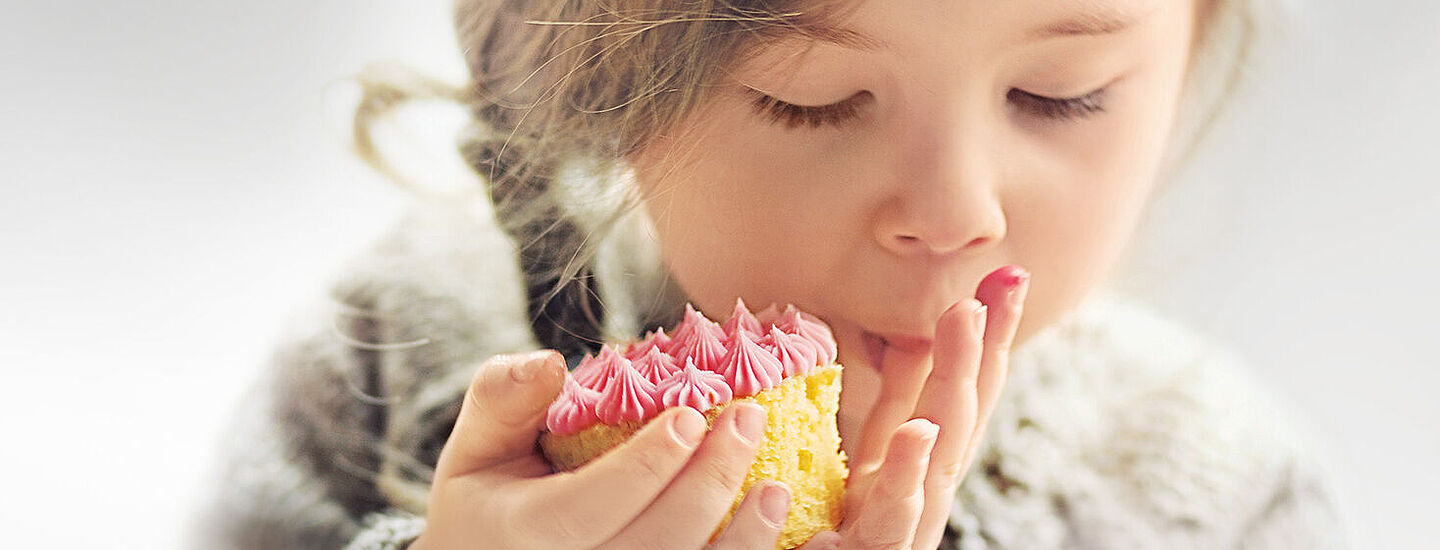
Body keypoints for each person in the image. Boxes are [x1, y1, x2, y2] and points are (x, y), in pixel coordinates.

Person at [191, 1, 1350, 548]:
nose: (955, 215)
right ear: (593, 85)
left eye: (1061, 93)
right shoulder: (390, 357)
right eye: (812, 100)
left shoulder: (1222, 497)